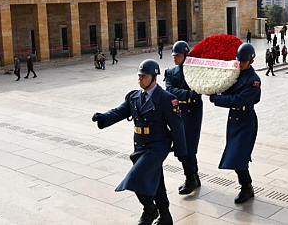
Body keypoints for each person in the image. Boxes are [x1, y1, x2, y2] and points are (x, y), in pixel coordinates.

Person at [91, 59, 186, 225]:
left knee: (137, 177)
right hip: (140, 145)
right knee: (156, 181)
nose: (140, 78)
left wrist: (181, 150)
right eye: (139, 75)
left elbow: (177, 126)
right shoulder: (134, 96)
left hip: (158, 146)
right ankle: (165, 215)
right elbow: (119, 111)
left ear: (154, 77)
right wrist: (104, 117)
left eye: (144, 75)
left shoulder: (166, 99)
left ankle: (149, 209)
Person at [209, 43, 261, 203]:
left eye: (243, 61)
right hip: (234, 121)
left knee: (239, 156)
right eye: (239, 60)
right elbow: (228, 90)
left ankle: (246, 187)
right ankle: (246, 185)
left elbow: (238, 100)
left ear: (251, 61)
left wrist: (216, 99)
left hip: (246, 121)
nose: (240, 63)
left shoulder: (254, 80)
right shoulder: (236, 74)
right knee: (236, 155)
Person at [164, 40, 203, 195]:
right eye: (174, 55)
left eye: (178, 55)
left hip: (192, 112)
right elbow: (169, 90)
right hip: (178, 113)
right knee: (182, 147)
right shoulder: (171, 72)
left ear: (186, 55)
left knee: (189, 147)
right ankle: (193, 176)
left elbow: (199, 88)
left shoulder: (195, 71)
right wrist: (187, 94)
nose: (175, 57)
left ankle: (191, 178)